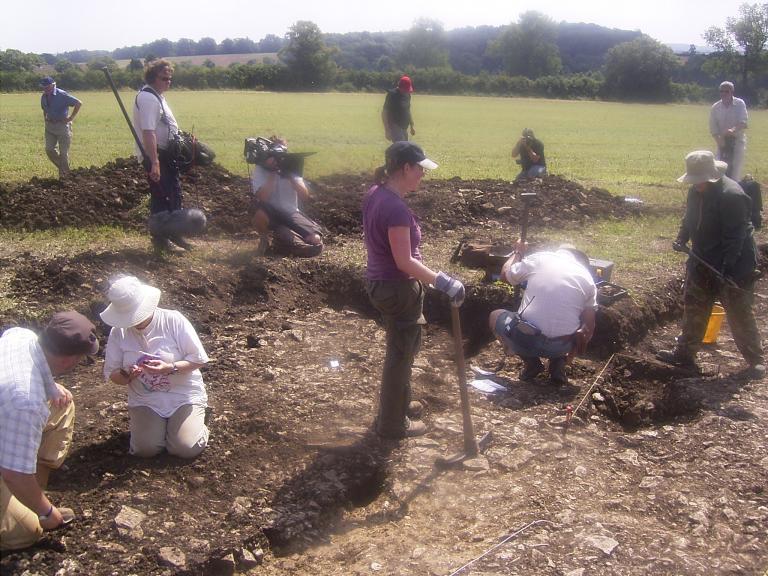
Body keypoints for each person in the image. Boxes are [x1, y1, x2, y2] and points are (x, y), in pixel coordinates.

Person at [363, 141, 465, 438]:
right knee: (401, 355)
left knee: (403, 349)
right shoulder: (394, 208)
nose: (423, 174)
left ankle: (399, 405)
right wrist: (444, 282)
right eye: (419, 168)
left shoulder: (376, 194)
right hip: (396, 289)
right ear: (405, 167)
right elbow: (404, 261)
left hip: (383, 284)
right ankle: (393, 424)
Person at [656, 150, 764, 379]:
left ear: (711, 176)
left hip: (734, 264)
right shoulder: (695, 192)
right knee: (694, 305)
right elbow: (690, 218)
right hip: (702, 257)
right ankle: (684, 355)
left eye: (699, 181)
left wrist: (726, 266)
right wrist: (682, 237)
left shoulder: (732, 196)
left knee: (739, 312)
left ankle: (755, 361)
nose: (696, 185)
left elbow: (736, 237)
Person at [1, 311, 99, 551]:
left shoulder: (22, 337)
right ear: (68, 360)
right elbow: (13, 473)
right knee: (25, 532)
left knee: (61, 403)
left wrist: (50, 385)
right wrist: (47, 513)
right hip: (10, 459)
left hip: (8, 414)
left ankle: (32, 489)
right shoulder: (26, 401)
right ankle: (29, 503)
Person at [101, 276, 210, 458]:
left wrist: (170, 367)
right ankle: (164, 430)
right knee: (146, 449)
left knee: (184, 448)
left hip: (183, 395)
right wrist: (127, 375)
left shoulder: (173, 320)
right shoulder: (118, 332)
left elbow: (199, 359)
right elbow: (113, 374)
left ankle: (198, 423)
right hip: (145, 399)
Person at [489, 243, 597, 385]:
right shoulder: (588, 279)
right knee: (568, 327)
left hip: (527, 340)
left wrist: (518, 252)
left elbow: (505, 275)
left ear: (559, 252)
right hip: (562, 346)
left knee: (495, 315)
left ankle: (532, 363)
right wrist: (571, 354)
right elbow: (588, 328)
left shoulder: (541, 259)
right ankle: (559, 363)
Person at [132, 59, 206, 254]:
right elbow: (149, 132)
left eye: (170, 78)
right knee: (162, 198)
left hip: (167, 155)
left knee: (173, 195)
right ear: (152, 77)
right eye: (164, 78)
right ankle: (161, 240)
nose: (168, 81)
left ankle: (174, 234)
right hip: (156, 155)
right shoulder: (148, 98)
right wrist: (154, 162)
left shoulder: (158, 96)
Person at [249, 136, 323, 257]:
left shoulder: (291, 167)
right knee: (259, 215)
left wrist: (289, 175)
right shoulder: (260, 169)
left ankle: (290, 242)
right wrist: (273, 173)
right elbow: (263, 197)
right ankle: (265, 240)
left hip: (291, 213)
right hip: (270, 213)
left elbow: (304, 196)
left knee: (315, 239)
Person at [39, 76, 82, 178]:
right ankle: (65, 168)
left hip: (62, 126)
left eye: (47, 87)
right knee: (49, 149)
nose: (45, 89)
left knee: (63, 153)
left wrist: (71, 118)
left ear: (53, 85)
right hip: (50, 127)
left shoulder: (62, 95)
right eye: (43, 87)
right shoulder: (43, 96)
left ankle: (65, 177)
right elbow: (44, 108)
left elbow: (78, 103)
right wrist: (45, 118)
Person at [709, 81, 748, 181]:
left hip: (737, 141)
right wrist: (719, 142)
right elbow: (713, 129)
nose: (724, 94)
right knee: (718, 170)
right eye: (721, 91)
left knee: (735, 170)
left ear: (732, 92)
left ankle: (734, 190)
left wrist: (732, 130)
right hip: (721, 142)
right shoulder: (715, 107)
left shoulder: (740, 104)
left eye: (726, 91)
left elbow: (743, 122)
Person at [381, 75, 415, 143]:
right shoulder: (392, 95)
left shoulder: (407, 95)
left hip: (404, 127)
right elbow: (384, 112)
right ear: (400, 87)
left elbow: (407, 110)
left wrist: (411, 125)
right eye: (405, 90)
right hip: (395, 126)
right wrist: (387, 130)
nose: (407, 92)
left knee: (405, 148)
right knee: (401, 147)